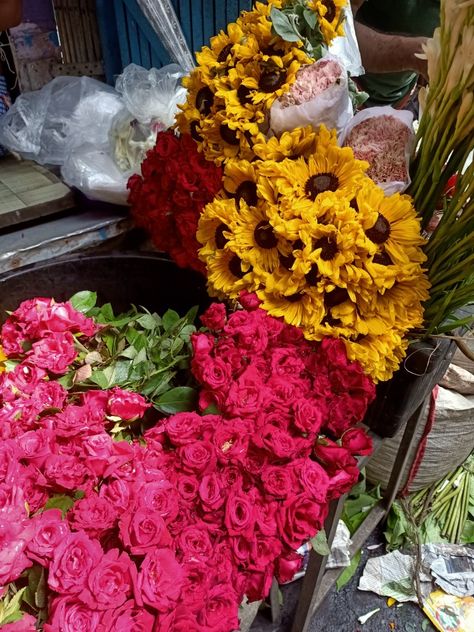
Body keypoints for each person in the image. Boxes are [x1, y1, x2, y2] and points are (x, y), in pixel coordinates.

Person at [351, 0, 440, 110]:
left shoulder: (465, 11)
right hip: (343, 80)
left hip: (400, 97)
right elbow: (337, 26)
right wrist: (415, 55)